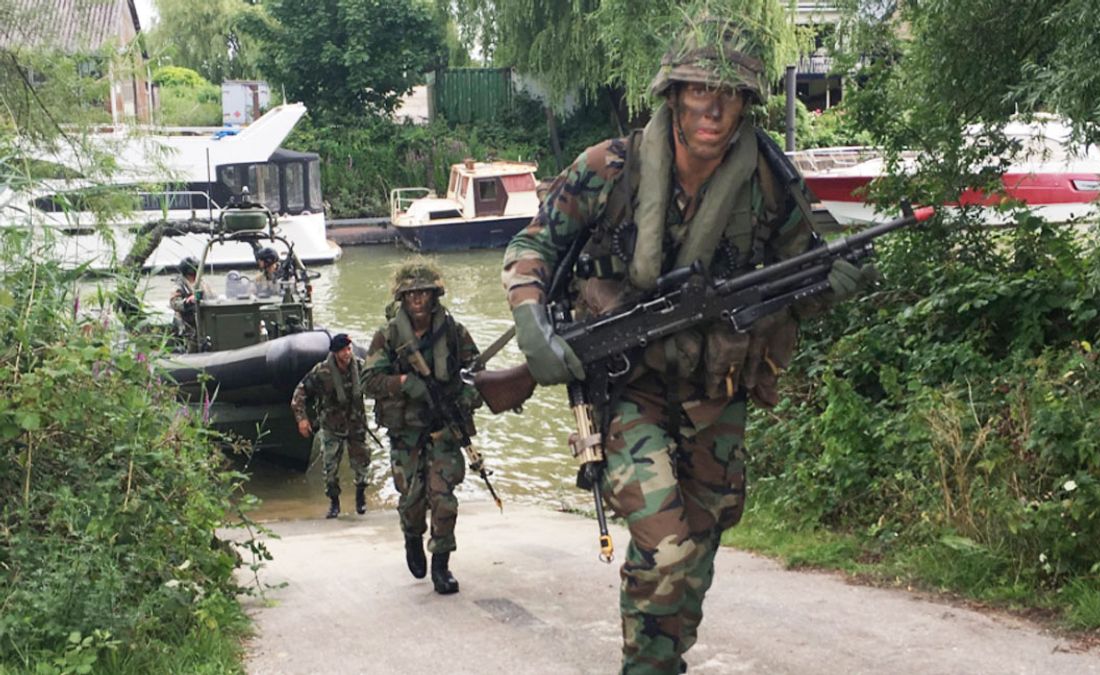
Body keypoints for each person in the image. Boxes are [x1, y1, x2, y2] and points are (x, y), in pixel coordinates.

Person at [501, 14, 875, 674]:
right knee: (665, 546)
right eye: (699, 88)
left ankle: (663, 658)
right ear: (673, 93)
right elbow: (532, 246)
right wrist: (533, 325)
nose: (713, 105)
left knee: (699, 548)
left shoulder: (767, 184)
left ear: (747, 102)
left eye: (729, 93)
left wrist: (837, 280)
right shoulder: (609, 169)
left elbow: (803, 275)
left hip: (718, 386)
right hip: (625, 384)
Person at [362, 258, 482, 595]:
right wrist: (404, 382)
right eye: (411, 294)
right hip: (407, 433)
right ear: (402, 298)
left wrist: (468, 397)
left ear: (434, 295)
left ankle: (441, 564)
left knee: (443, 500)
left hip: (445, 429)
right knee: (412, 501)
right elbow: (368, 381)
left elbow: (476, 372)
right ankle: (412, 537)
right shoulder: (387, 337)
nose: (417, 299)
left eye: (424, 293)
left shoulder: (454, 333)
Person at [291, 332, 371, 519]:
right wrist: (301, 419)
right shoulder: (322, 371)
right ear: (335, 352)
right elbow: (300, 393)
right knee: (330, 469)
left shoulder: (360, 367)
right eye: (343, 350)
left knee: (362, 464)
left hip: (356, 424)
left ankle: (360, 496)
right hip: (332, 426)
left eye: (349, 349)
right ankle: (334, 503)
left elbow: (376, 385)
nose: (347, 353)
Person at [168, 256, 211, 352]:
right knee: (191, 348)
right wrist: (188, 301)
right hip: (188, 325)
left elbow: (211, 296)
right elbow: (174, 303)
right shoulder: (179, 285)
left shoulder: (202, 282)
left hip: (203, 322)